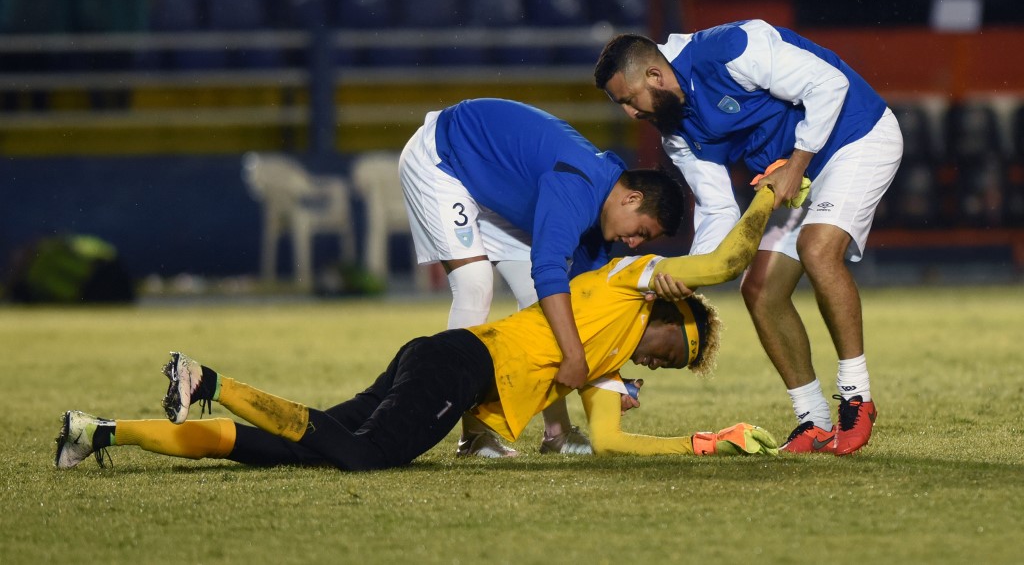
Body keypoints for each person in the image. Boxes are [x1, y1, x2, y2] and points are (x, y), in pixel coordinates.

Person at [55, 188, 780, 471]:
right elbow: (726, 259)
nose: (658, 366)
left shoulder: (604, 352)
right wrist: (771, 197)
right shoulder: (630, 282)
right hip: (456, 368)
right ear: (667, 315)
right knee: (366, 458)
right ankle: (206, 381)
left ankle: (101, 430)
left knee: (287, 450)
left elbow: (611, 443)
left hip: (441, 357)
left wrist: (703, 440)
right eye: (673, 354)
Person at [593, 20, 904, 455]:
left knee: (817, 249)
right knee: (759, 289)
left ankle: (857, 397)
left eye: (630, 100)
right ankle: (812, 421)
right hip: (797, 172)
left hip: (857, 138)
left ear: (654, 76)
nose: (632, 114)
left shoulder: (732, 48)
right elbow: (719, 209)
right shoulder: (675, 133)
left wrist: (795, 166)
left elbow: (829, 86)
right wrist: (687, 275)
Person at [399, 98, 685, 458]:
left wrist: (607, 377)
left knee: (547, 303)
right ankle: (471, 436)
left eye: (643, 240)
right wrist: (573, 356)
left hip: (483, 179)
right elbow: (549, 269)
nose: (633, 243)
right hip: (442, 158)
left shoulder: (600, 212)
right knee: (475, 286)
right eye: (640, 231)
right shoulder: (578, 189)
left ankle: (557, 434)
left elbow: (580, 311)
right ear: (631, 199)